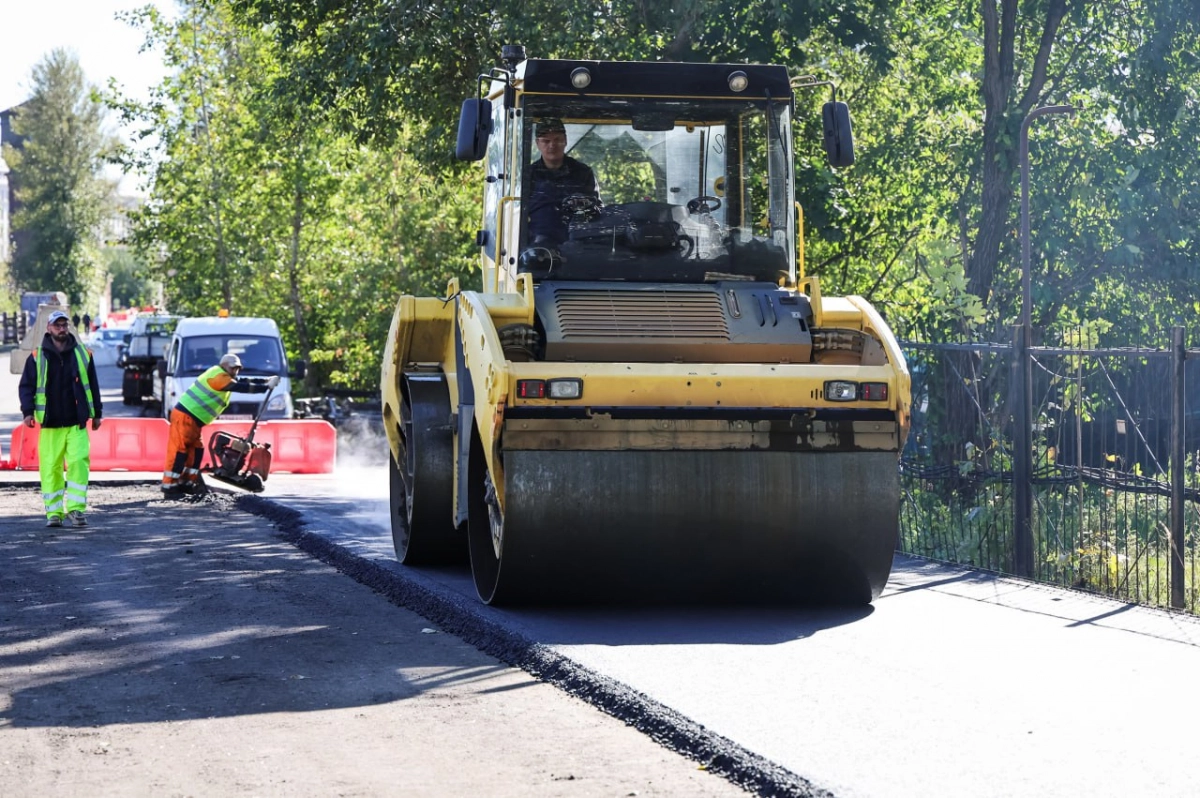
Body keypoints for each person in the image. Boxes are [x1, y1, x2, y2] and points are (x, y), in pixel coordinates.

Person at [17, 309, 103, 527]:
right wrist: (27, 412)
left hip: (77, 422)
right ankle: (54, 513)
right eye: (57, 325)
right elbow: (26, 386)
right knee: (51, 467)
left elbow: (93, 385)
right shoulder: (37, 357)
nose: (62, 329)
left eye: (64, 325)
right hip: (50, 424)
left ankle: (76, 510)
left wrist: (97, 414)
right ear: (49, 328)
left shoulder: (83, 354)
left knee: (78, 463)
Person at [162, 353, 279, 497]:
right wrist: (265, 387)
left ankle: (186, 483)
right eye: (233, 368)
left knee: (196, 452)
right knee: (179, 452)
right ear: (224, 366)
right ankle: (170, 487)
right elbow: (240, 386)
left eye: (237, 369)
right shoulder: (218, 376)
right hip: (185, 417)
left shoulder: (226, 376)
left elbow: (243, 381)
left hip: (193, 421)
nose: (236, 371)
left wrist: (265, 381)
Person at [526, 118, 601, 246]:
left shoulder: (582, 172)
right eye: (546, 141)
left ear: (565, 141)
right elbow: (516, 215)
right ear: (537, 143)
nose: (552, 145)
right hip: (537, 249)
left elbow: (597, 209)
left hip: (578, 244)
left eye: (557, 140)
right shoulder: (527, 175)